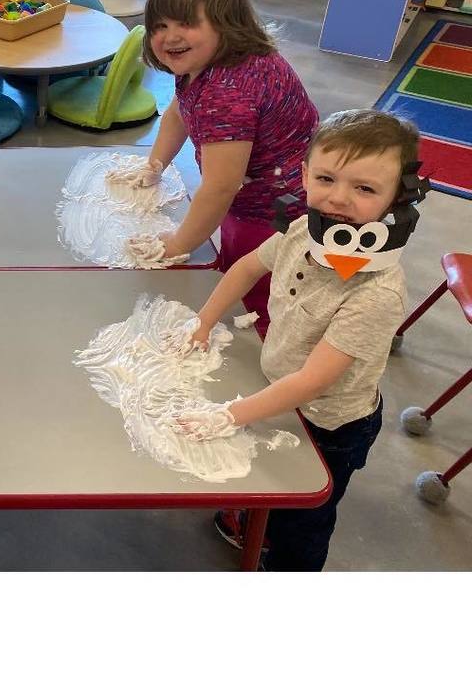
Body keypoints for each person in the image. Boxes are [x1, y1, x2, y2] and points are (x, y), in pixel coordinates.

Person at [177, 110, 427, 571]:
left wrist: (228, 414)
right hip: (279, 385)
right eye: (326, 178)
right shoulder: (300, 232)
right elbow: (246, 268)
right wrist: (204, 321)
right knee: (265, 474)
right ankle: (253, 520)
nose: (338, 198)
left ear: (399, 197)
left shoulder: (376, 294)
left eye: (365, 188)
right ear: (305, 173)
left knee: (302, 520)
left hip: (330, 423)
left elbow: (313, 381)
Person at [138, 0, 319, 334]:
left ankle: (273, 342)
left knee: (257, 293)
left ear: (227, 24)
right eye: (159, 26)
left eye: (186, 23)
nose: (170, 36)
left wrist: (177, 244)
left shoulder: (227, 93)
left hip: (276, 213)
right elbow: (178, 112)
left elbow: (222, 187)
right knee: (234, 266)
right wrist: (154, 166)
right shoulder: (208, 60)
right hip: (267, 189)